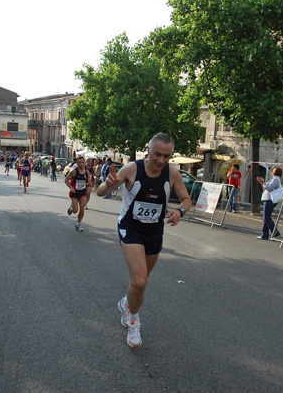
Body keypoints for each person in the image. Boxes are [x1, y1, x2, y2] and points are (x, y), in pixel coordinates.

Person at [97, 132, 192, 348]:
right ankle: (132, 320)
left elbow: (187, 200)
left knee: (142, 280)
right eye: (157, 154)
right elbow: (100, 192)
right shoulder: (132, 169)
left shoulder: (172, 173)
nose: (161, 160)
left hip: (154, 232)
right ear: (148, 151)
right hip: (130, 228)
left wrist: (180, 211)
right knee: (139, 280)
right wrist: (109, 184)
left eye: (167, 156)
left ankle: (126, 303)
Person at [65, 156, 92, 231]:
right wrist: (71, 187)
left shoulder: (87, 172)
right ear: (77, 163)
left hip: (83, 192)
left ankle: (78, 223)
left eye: (82, 162)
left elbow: (88, 182)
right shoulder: (73, 171)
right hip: (74, 192)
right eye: (79, 162)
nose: (81, 164)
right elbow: (66, 180)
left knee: (82, 208)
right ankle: (71, 209)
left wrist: (89, 184)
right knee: (75, 211)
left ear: (84, 163)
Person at [256, 167, 283, 240]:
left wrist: (262, 182)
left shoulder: (275, 179)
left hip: (269, 199)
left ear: (273, 172)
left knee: (266, 217)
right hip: (268, 199)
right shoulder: (275, 179)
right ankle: (264, 234)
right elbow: (265, 188)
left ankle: (275, 232)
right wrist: (262, 182)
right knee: (266, 217)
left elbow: (268, 188)